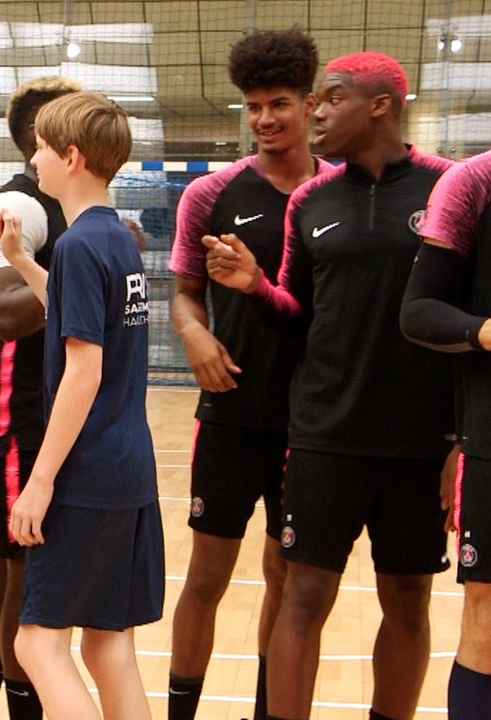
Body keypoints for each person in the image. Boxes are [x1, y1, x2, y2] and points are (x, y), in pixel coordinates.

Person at [205, 52, 454, 720]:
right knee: (303, 597)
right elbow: (297, 319)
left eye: (333, 98)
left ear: (380, 105)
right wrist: (256, 288)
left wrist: (461, 439)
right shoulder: (311, 203)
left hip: (420, 443)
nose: (316, 112)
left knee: (408, 603)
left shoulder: (449, 188)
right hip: (322, 438)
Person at [165, 29, 322, 720]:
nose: (264, 118)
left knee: (285, 579)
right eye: (253, 105)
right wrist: (194, 332)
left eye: (279, 102)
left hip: (314, 420)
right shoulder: (212, 193)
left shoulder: (342, 194)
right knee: (205, 580)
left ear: (312, 104)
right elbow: (183, 292)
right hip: (230, 412)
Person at [0, 91, 163, 720]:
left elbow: (84, 372)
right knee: (107, 645)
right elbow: (82, 307)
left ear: (70, 156)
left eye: (41, 146)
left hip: (86, 474)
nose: (33, 157)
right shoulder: (114, 238)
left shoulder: (78, 244)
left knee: (37, 643)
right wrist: (21, 262)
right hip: (128, 468)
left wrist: (39, 482)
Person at [0, 74, 80, 720]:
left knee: (7, 569)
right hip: (12, 413)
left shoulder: (56, 203)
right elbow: (8, 312)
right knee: (22, 573)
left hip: (30, 409)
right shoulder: (21, 206)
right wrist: (81, 275)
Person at [399, 149, 491, 719]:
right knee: (486, 614)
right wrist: (484, 331)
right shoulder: (474, 182)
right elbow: (419, 310)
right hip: (490, 438)